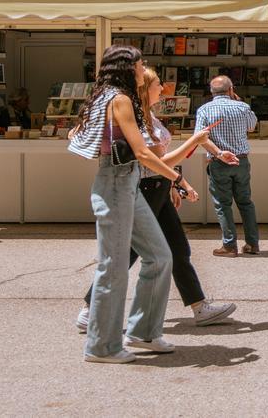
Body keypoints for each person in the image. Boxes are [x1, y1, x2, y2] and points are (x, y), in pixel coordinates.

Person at [76, 67, 238, 332]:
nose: (162, 88)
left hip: (157, 188)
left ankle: (199, 307)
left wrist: (174, 183)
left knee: (177, 249)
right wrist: (194, 142)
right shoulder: (137, 119)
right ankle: (90, 309)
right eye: (158, 84)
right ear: (145, 88)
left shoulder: (147, 116)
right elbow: (155, 162)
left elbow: (159, 164)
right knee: (129, 252)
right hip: (147, 188)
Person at [68, 44, 200, 364]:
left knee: (159, 256)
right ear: (127, 68)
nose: (144, 70)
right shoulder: (120, 98)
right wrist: (179, 180)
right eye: (140, 65)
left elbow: (76, 132)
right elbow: (143, 153)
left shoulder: (107, 97)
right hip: (116, 183)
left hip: (125, 183)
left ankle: (142, 331)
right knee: (112, 268)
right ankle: (101, 346)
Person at [195, 76, 260, 257]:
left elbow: (200, 138)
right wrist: (240, 102)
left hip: (219, 162)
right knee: (245, 202)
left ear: (212, 91)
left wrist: (217, 153)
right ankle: (252, 244)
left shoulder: (204, 109)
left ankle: (229, 245)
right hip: (241, 161)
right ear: (231, 90)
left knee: (223, 205)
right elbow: (252, 127)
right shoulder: (242, 107)